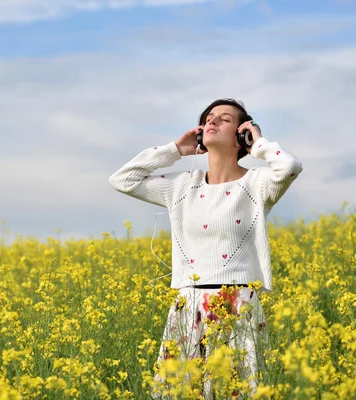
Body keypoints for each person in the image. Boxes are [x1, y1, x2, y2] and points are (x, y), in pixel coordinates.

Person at [108, 98, 303, 398]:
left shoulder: (257, 185)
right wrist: (175, 150)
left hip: (238, 307)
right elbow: (122, 179)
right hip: (189, 308)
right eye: (208, 118)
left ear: (241, 136)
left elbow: (289, 166)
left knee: (236, 391)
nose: (212, 122)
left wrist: (260, 143)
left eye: (224, 119)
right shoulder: (182, 186)